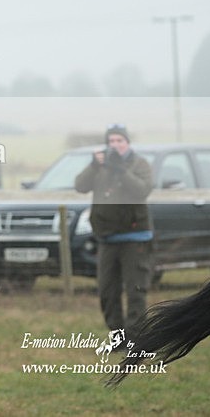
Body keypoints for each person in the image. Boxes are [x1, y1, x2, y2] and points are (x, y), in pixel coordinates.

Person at [74, 124, 154, 337]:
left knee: (135, 290)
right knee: (107, 291)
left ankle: (136, 337)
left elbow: (142, 190)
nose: (115, 145)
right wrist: (93, 166)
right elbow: (80, 186)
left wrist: (122, 170)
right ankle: (117, 336)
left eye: (119, 140)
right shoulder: (100, 166)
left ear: (127, 143)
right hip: (107, 238)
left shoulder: (140, 164)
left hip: (135, 237)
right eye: (111, 141)